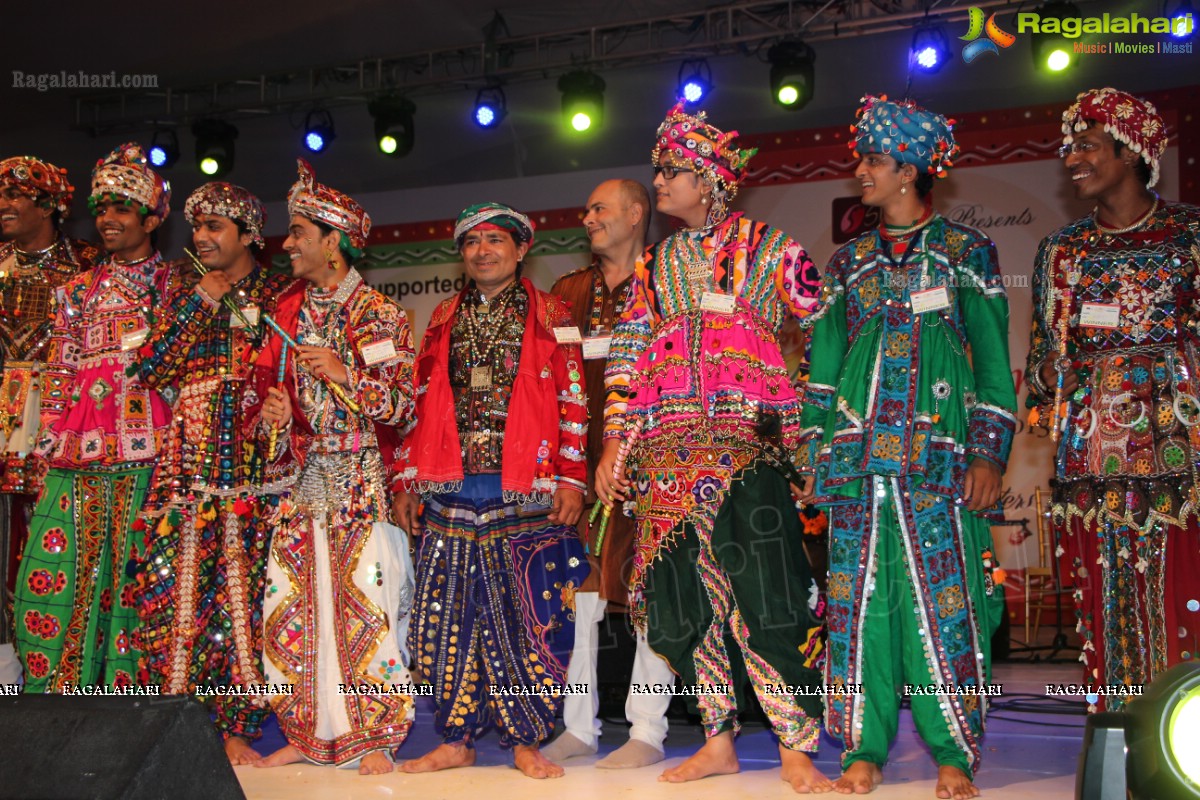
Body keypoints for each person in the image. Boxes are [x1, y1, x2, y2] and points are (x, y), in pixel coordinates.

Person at [596, 103, 829, 793]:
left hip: (747, 453)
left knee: (768, 598)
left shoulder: (774, 249)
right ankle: (718, 737)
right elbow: (629, 355)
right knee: (687, 600)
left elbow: (830, 331)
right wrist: (616, 442)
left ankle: (795, 743)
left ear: (711, 179)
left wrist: (805, 428)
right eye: (660, 169)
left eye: (671, 171)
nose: (660, 182)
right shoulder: (654, 266)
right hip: (665, 459)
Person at [798, 95, 1014, 800]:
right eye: (862, 159)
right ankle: (863, 746)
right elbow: (823, 370)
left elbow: (988, 357)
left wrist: (988, 452)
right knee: (861, 602)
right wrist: (813, 452)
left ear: (911, 171)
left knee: (945, 603)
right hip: (858, 463)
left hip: (940, 457)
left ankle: (954, 749)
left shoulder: (966, 253)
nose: (861, 170)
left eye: (875, 161)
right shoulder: (849, 262)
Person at [394, 201, 589, 780]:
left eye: (494, 241)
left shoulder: (551, 312)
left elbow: (575, 397)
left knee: (525, 612)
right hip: (449, 488)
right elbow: (418, 402)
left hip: (524, 488)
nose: (482, 251)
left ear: (521, 248)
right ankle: (456, 738)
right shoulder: (441, 316)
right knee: (447, 612)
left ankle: (526, 738)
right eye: (471, 242)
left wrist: (572, 475)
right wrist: (405, 477)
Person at [1026, 88, 1200, 711]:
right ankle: (1123, 734)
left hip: (1178, 460)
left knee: (1187, 594)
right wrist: (1054, 371)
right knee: (1108, 602)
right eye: (1068, 147)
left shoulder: (1190, 236)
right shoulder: (1061, 250)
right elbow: (1041, 368)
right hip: (1091, 463)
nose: (1072, 157)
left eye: (1088, 145)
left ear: (1134, 153)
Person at [254, 161, 417, 775]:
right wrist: (275, 414)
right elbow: (275, 408)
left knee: (362, 603)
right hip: (300, 481)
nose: (288, 243)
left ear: (333, 242)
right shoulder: (287, 315)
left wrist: (348, 374)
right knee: (294, 602)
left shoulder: (379, 314)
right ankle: (308, 734)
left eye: (298, 232)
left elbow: (402, 405)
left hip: (355, 478)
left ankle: (373, 735)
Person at [132, 182, 291, 764]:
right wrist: (200, 298)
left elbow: (289, 367)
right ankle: (176, 717)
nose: (201, 236)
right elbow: (150, 366)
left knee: (244, 591)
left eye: (216, 227)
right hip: (186, 459)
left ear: (249, 236)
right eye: (197, 226)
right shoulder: (180, 286)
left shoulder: (279, 290)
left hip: (252, 458)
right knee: (177, 587)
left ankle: (238, 726)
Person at [15, 143, 175, 691]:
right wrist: (45, 446)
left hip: (148, 459)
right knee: (60, 574)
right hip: (75, 459)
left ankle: (130, 695)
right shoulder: (76, 292)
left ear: (151, 217)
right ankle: (63, 690)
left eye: (121, 209)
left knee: (135, 574)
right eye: (100, 207)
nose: (107, 219)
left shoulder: (173, 289)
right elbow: (58, 376)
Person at [543, 178, 675, 769]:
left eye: (600, 208)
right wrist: (562, 467)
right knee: (580, 594)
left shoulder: (670, 279)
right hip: (580, 467)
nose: (587, 216)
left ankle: (647, 728)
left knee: (650, 593)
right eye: (588, 209)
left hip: (655, 461)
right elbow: (545, 383)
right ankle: (578, 725)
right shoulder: (567, 291)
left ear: (635, 212)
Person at [0, 156, 97, 683]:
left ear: (50, 205)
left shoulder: (87, 266)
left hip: (63, 415)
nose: (3, 206)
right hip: (3, 411)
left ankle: (56, 660)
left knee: (51, 534)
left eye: (15, 196)